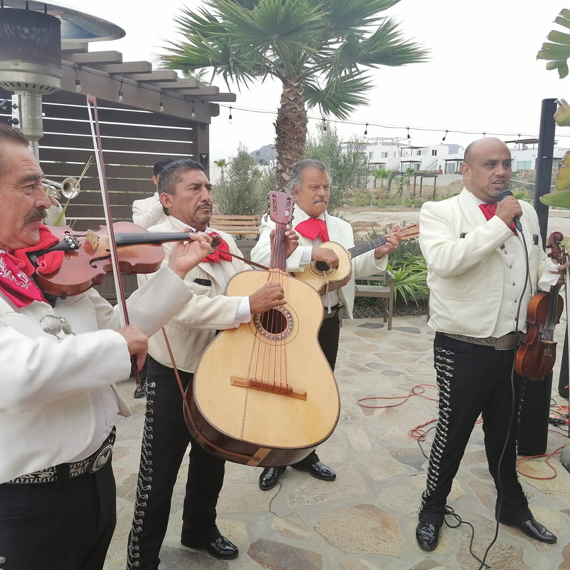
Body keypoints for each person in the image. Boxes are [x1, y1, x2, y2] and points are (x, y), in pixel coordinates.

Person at [0, 124, 213, 570]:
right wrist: (115, 347)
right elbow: (15, 375)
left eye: (44, 184)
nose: (47, 201)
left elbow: (118, 326)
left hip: (93, 480)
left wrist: (174, 273)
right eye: (30, 186)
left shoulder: (45, 266)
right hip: (27, 504)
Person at [126, 158, 296, 568]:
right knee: (159, 472)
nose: (206, 195)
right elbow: (179, 308)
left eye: (207, 187)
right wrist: (245, 305)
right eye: (193, 189)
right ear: (166, 199)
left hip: (224, 370)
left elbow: (247, 286)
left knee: (212, 457)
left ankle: (199, 530)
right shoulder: (151, 242)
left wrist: (280, 259)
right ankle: (142, 555)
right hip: (174, 374)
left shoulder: (221, 238)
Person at [415, 137, 561, 552]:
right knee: (453, 431)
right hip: (462, 347)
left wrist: (551, 274)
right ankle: (432, 507)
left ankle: (511, 507)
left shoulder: (527, 213)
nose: (501, 171)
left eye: (506, 163)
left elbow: (534, 267)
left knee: (506, 433)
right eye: (490, 164)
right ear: (467, 170)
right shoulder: (439, 211)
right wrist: (497, 223)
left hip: (515, 346)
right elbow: (446, 262)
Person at [250, 159, 401, 491]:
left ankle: (306, 453)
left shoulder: (342, 228)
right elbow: (261, 255)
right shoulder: (279, 221)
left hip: (329, 322)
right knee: (282, 390)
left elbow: (352, 265)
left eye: (326, 187)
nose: (322, 193)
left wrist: (379, 253)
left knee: (316, 390)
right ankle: (275, 458)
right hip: (291, 324)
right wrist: (310, 255)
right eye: (314, 187)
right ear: (296, 191)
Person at [132, 158, 173, 398]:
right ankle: (143, 380)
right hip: (150, 262)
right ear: (155, 179)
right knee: (148, 321)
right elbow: (140, 226)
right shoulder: (142, 203)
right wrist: (162, 200)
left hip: (174, 259)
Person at [132, 158, 174, 229]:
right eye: (163, 178)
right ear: (154, 179)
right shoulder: (140, 204)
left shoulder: (183, 202)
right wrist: (161, 203)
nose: (168, 181)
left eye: (172, 178)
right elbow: (140, 228)